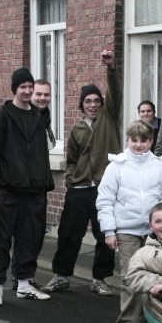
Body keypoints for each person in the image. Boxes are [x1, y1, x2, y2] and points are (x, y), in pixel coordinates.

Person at [42, 50, 122, 297]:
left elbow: (115, 92)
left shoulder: (109, 118)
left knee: (104, 234)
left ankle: (100, 279)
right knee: (69, 234)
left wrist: (111, 68)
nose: (93, 105)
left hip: (103, 188)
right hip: (78, 189)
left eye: (96, 101)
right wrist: (70, 178)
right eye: (88, 101)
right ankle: (61, 275)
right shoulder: (76, 128)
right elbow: (71, 159)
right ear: (82, 105)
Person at [97, 120, 162, 323]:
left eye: (144, 140)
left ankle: (154, 322)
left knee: (159, 275)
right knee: (131, 276)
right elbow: (105, 200)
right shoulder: (116, 167)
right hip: (127, 229)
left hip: (156, 232)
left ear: (151, 141)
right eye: (135, 140)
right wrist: (109, 231)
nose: (139, 145)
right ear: (128, 140)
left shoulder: (161, 167)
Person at [0, 67, 55, 305]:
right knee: (0, 239)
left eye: (29, 86)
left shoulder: (37, 116)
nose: (27, 91)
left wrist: (44, 181)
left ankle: (24, 283)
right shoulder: (3, 115)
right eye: (22, 87)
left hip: (34, 189)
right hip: (8, 188)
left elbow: (42, 152)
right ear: (15, 89)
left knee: (30, 238)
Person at [31, 79, 57, 150]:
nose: (43, 98)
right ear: (31, 95)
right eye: (38, 94)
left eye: (46, 95)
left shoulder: (45, 118)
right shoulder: (24, 118)